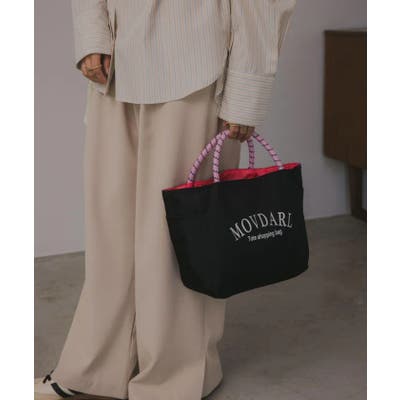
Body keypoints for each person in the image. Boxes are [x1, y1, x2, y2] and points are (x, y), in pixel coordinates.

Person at [35, 1, 296, 399]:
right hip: (116, 59)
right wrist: (91, 34)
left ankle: (174, 380)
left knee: (182, 235)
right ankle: (96, 369)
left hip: (196, 62)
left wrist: (247, 87)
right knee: (111, 229)